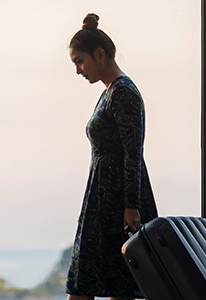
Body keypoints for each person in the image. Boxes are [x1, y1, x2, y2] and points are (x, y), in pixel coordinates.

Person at [65, 13, 159, 300]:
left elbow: (134, 153)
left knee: (118, 284)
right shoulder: (109, 92)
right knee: (99, 282)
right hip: (102, 199)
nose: (79, 70)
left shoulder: (124, 93)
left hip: (117, 204)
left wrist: (131, 206)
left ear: (100, 54)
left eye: (80, 61)